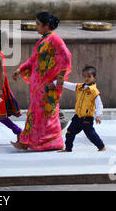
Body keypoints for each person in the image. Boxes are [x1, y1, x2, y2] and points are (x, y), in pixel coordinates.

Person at [11, 12, 72, 151]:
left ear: (47, 25)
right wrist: (21, 69)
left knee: (42, 114)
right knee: (39, 114)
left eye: (38, 24)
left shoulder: (55, 39)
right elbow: (34, 60)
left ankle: (28, 142)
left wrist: (60, 79)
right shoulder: (43, 40)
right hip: (38, 84)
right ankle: (43, 142)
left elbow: (66, 57)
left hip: (47, 85)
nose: (36, 26)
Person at [53, 66, 106, 152]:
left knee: (90, 134)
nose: (86, 78)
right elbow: (70, 85)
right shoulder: (79, 87)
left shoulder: (94, 91)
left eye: (89, 76)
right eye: (84, 76)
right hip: (78, 117)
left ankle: (101, 147)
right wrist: (58, 82)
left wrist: (98, 115)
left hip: (87, 119)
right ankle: (68, 148)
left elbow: (99, 104)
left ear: (94, 78)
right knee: (70, 132)